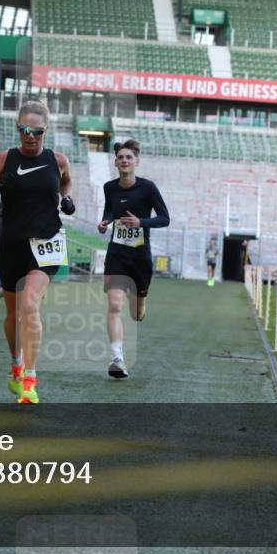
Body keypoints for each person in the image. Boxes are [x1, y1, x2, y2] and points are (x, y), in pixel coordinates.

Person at [0, 100, 74, 404]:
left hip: (47, 242)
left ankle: (30, 377)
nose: (31, 136)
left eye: (37, 131)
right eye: (24, 130)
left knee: (30, 305)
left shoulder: (57, 160)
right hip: (13, 242)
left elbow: (66, 182)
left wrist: (66, 199)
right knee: (13, 314)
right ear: (17, 128)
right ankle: (16, 367)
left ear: (47, 130)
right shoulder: (4, 159)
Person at [97, 139, 170, 379]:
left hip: (140, 255)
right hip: (117, 252)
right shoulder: (109, 187)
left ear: (136, 162)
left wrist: (142, 223)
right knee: (114, 304)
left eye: (129, 157)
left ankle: (140, 299)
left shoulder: (147, 188)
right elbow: (110, 209)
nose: (125, 160)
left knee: (136, 314)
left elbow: (164, 218)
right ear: (115, 161)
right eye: (121, 157)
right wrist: (105, 220)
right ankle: (117, 358)